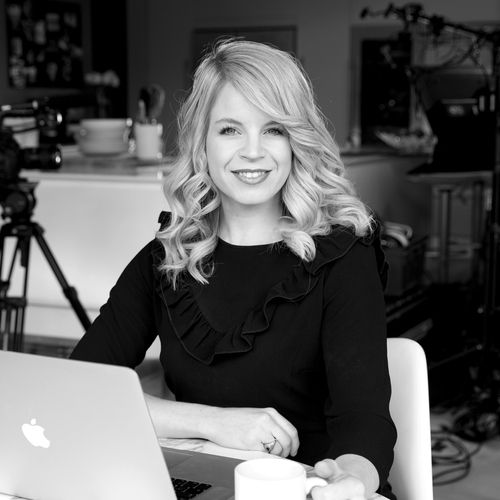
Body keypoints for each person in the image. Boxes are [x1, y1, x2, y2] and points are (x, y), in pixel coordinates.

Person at [71, 39, 397, 500]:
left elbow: (364, 420)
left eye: (273, 129)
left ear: (296, 140)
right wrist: (213, 423)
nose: (252, 151)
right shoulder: (168, 258)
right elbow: (82, 387)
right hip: (199, 485)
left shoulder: (342, 256)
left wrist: (350, 480)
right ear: (202, 142)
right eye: (230, 130)